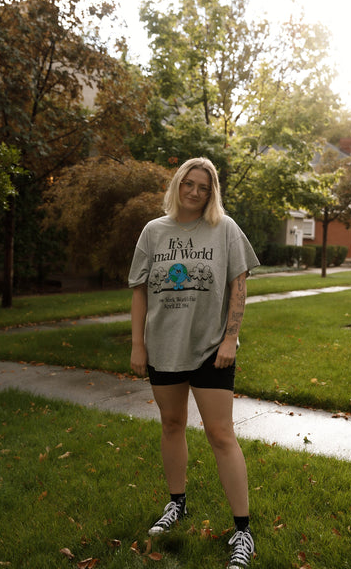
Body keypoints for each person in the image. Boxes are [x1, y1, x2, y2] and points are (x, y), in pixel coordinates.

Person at [128, 157, 260, 568]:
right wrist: (138, 344)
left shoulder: (225, 229)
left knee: (221, 435)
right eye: (189, 183)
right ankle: (177, 504)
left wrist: (231, 338)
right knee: (172, 425)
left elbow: (239, 284)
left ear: (212, 192)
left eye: (204, 186)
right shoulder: (154, 231)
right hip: (163, 346)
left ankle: (243, 531)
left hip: (210, 349)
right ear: (178, 183)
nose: (195, 191)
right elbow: (139, 291)